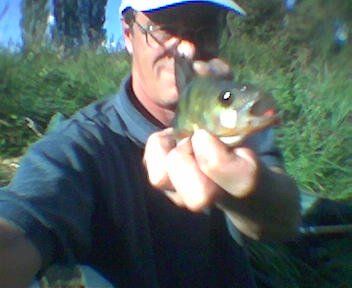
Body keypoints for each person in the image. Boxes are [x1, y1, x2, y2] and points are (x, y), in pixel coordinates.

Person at [0, 0, 301, 287]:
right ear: (128, 33)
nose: (187, 48)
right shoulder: (81, 145)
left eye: (206, 28)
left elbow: (286, 219)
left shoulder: (234, 120)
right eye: (166, 28)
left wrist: (244, 189)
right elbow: (20, 224)